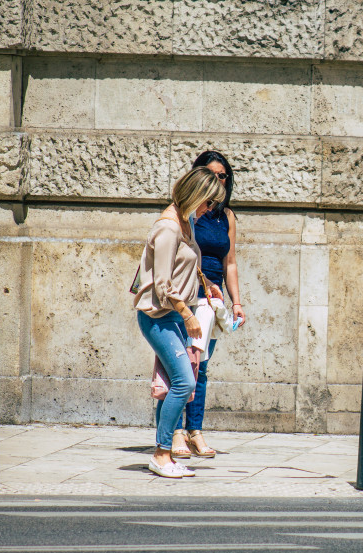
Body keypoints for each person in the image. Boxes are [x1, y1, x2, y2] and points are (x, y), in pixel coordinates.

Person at [134, 167, 225, 478]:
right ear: (196, 195)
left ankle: (165, 454)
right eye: (208, 202)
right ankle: (161, 454)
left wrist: (207, 282)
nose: (210, 210)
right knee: (185, 382)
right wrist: (188, 316)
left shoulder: (187, 223)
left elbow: (188, 262)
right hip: (159, 316)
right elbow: (162, 283)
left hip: (174, 313)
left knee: (174, 383)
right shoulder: (168, 228)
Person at [170, 151, 246, 460]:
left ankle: (194, 430)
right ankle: (174, 432)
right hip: (188, 295)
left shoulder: (226, 216)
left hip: (214, 301)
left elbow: (230, 263)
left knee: (200, 368)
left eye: (222, 176)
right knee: (179, 366)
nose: (217, 181)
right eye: (210, 174)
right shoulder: (188, 211)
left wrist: (236, 301)